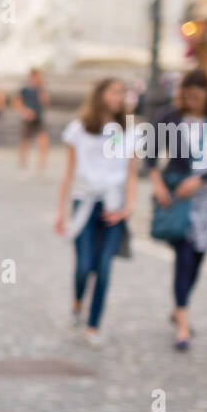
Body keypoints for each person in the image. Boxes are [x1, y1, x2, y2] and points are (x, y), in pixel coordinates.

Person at [146, 69, 207, 351]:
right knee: (183, 255)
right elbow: (150, 154)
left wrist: (200, 179)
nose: (193, 101)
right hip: (178, 197)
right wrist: (158, 184)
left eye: (199, 96)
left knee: (198, 256)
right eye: (189, 96)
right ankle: (183, 324)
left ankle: (179, 307)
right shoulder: (170, 117)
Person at [54, 78, 138, 347]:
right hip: (85, 202)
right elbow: (68, 172)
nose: (118, 97)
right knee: (83, 265)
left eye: (121, 93)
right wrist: (60, 211)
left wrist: (129, 207)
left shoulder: (129, 131)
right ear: (100, 94)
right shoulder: (79, 129)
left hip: (113, 205)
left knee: (103, 268)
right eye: (114, 92)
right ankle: (77, 301)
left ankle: (93, 325)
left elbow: (132, 174)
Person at [16, 67, 49, 174]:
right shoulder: (24, 89)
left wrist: (42, 87)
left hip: (38, 117)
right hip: (27, 118)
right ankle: (22, 162)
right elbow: (17, 102)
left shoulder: (40, 89)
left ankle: (41, 164)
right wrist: (24, 111)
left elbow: (45, 102)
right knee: (25, 141)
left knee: (43, 141)